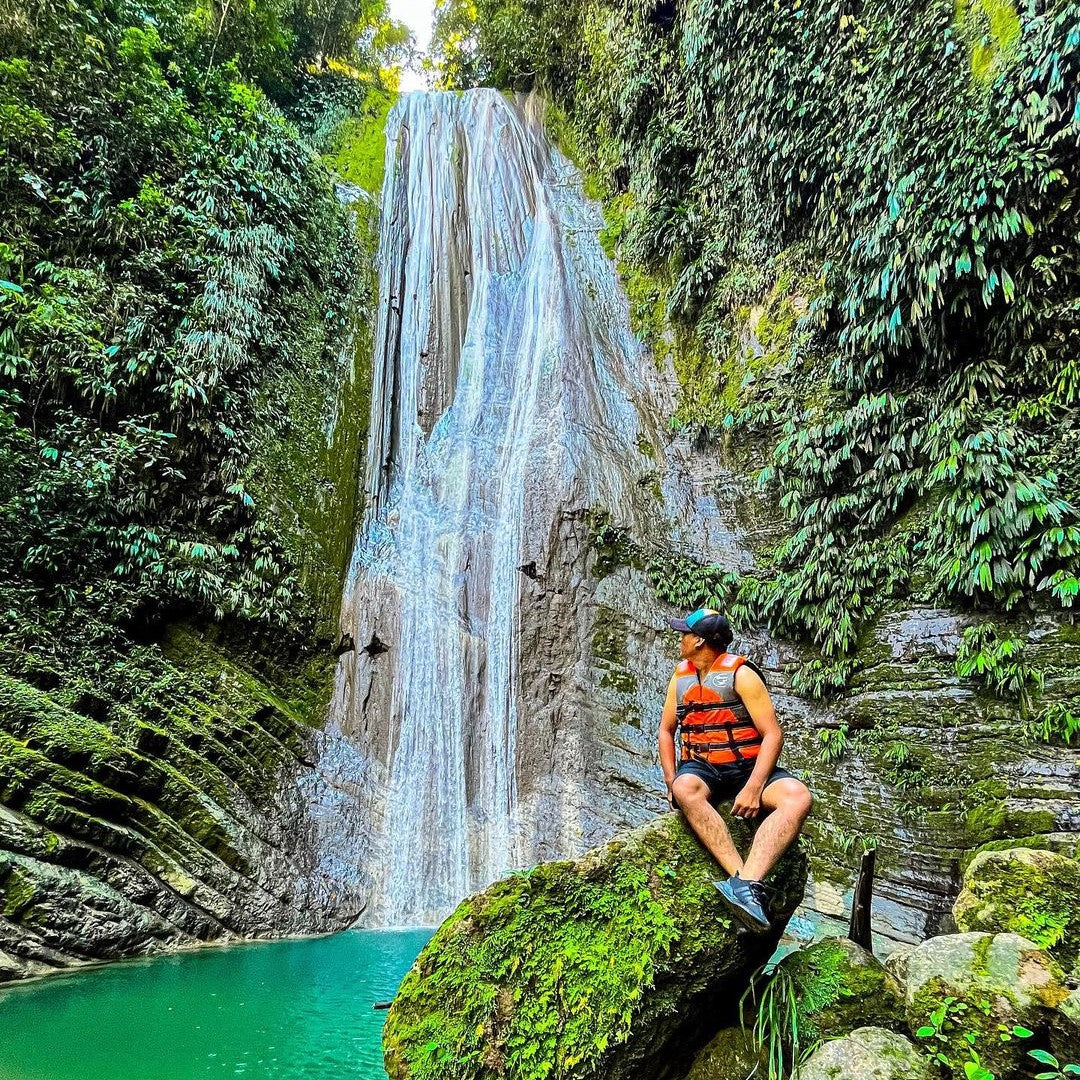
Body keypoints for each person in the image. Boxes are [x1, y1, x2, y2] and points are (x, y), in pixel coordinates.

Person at [659, 607, 812, 931]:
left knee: (797, 797)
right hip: (703, 769)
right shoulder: (680, 677)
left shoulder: (742, 676)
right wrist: (671, 780)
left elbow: (773, 734)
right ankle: (740, 882)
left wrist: (755, 787)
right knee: (686, 789)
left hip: (747, 768)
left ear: (699, 641)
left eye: (684, 633)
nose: (680, 638)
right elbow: (666, 730)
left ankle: (748, 881)